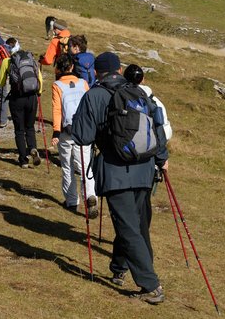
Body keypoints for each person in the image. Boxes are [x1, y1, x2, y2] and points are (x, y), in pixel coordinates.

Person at [72, 52, 168, 304]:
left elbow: (82, 136)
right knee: (138, 224)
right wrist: (161, 160)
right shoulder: (139, 92)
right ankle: (119, 268)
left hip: (116, 172)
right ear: (119, 69)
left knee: (128, 228)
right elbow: (157, 127)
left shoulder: (94, 95)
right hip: (145, 167)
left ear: (97, 72)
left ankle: (150, 285)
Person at [51, 54, 99, 216]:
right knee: (85, 166)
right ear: (72, 67)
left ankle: (72, 201)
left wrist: (56, 131)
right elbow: (90, 105)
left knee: (67, 166)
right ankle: (91, 196)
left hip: (66, 131)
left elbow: (57, 110)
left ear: (58, 68)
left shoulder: (57, 85)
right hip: (83, 130)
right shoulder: (83, 83)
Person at [0, 38, 44, 168]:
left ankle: (23, 160)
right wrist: (38, 92)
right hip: (32, 97)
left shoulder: (7, 61)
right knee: (30, 127)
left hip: (17, 98)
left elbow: (0, 82)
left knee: (19, 130)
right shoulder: (30, 59)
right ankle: (33, 148)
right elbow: (39, 78)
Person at [123, 64, 172, 142]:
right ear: (142, 79)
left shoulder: (119, 97)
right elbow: (166, 131)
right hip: (151, 147)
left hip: (126, 146)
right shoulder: (154, 101)